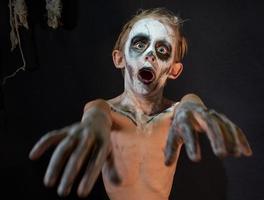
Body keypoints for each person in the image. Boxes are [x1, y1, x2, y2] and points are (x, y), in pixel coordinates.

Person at [29, 8, 252, 200]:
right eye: (139, 44)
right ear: (119, 59)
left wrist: (193, 106)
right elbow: (97, 113)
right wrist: (93, 124)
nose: (150, 55)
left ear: (173, 70)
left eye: (162, 50)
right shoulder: (106, 110)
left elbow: (188, 105)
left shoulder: (176, 116)